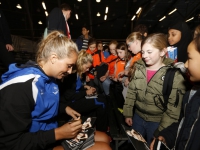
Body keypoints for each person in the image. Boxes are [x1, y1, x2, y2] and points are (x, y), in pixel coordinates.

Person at [0, 31, 111, 150]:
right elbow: (10, 143)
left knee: (105, 138)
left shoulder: (52, 77)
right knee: (104, 148)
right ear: (53, 58)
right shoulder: (21, 87)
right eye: (69, 66)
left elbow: (42, 105)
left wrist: (65, 108)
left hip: (48, 130)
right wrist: (58, 134)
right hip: (36, 141)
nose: (69, 71)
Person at [123, 33, 186, 145]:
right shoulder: (138, 68)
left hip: (158, 121)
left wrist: (161, 131)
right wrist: (128, 113)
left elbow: (173, 110)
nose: (144, 56)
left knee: (153, 146)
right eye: (143, 52)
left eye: (149, 52)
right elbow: (132, 92)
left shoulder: (174, 75)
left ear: (162, 52)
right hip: (138, 117)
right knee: (133, 145)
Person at [150, 34, 200, 150]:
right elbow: (185, 124)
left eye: (190, 58)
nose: (186, 64)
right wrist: (167, 136)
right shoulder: (191, 94)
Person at [59, 50, 108, 132]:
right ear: (81, 63)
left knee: (102, 97)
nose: (88, 69)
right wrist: (85, 92)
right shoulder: (71, 74)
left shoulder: (78, 73)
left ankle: (93, 126)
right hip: (70, 104)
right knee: (101, 102)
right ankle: (101, 131)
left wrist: (86, 87)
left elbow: (76, 88)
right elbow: (69, 96)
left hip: (77, 98)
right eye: (87, 67)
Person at [122, 32, 143, 99]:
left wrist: (129, 78)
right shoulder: (137, 55)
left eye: (129, 45)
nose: (128, 48)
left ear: (136, 42)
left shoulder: (144, 55)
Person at [111, 42, 131, 109]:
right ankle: (120, 107)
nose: (119, 55)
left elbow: (130, 74)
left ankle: (123, 108)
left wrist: (122, 79)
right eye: (117, 53)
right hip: (119, 81)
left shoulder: (129, 61)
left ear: (125, 51)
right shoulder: (117, 61)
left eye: (120, 52)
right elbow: (115, 72)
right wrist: (114, 77)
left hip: (125, 83)